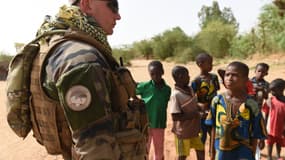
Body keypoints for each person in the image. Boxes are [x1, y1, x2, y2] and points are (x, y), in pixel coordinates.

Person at [28, 0, 147, 159]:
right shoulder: (82, 59)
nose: (118, 16)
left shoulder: (60, 46)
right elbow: (96, 151)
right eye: (112, 5)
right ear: (87, 4)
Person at [205, 61, 267, 160]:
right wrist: (212, 151)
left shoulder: (251, 104)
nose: (229, 78)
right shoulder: (217, 100)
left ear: (245, 80)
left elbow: (255, 133)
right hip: (221, 152)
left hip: (244, 153)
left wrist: (253, 154)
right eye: (227, 75)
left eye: (235, 75)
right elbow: (213, 127)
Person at [136, 60, 171, 160]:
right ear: (149, 74)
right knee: (145, 148)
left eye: (158, 73)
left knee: (159, 149)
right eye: (152, 74)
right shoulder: (144, 86)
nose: (155, 76)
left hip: (159, 123)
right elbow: (131, 90)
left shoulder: (167, 89)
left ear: (162, 72)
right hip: (145, 124)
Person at [170, 66, 205, 160]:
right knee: (182, 155)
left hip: (193, 130)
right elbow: (175, 116)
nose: (189, 77)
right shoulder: (176, 95)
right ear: (180, 77)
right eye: (187, 75)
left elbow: (192, 104)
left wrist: (199, 106)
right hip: (182, 133)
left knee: (200, 150)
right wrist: (196, 114)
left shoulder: (190, 89)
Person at [191, 53, 220, 145]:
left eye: (212, 63)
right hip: (202, 114)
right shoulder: (196, 81)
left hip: (214, 111)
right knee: (202, 137)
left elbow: (216, 92)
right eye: (209, 63)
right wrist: (199, 105)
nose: (211, 66)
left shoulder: (214, 78)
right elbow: (191, 97)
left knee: (215, 136)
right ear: (200, 64)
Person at [262, 78, 285, 160]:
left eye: (273, 90)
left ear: (281, 89)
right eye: (271, 90)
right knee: (269, 143)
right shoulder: (270, 101)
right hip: (270, 128)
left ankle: (278, 156)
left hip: (281, 128)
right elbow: (266, 115)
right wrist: (264, 126)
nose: (271, 93)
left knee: (279, 143)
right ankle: (269, 156)